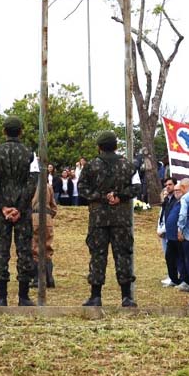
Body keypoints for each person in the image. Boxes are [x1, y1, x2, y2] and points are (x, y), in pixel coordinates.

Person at [77, 130, 140, 307]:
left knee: (97, 255)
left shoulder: (91, 165)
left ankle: (95, 296)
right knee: (123, 255)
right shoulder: (128, 165)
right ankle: (126, 297)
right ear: (116, 146)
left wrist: (101, 197)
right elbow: (137, 187)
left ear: (99, 147)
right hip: (121, 219)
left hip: (98, 219)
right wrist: (120, 196)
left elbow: (82, 188)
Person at [0, 117, 37, 307]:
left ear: (3, 131)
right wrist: (20, 207)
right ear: (21, 131)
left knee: (2, 252)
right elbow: (33, 181)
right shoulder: (30, 154)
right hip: (22, 211)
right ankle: (24, 297)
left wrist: (2, 206)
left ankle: (2, 297)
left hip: (2, 211)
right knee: (24, 252)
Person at [30, 173, 57, 289]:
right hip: (48, 218)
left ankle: (38, 279)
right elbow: (54, 207)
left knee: (36, 248)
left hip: (35, 217)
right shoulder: (49, 187)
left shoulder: (31, 186)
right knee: (47, 248)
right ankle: (49, 278)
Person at [158, 177, 182, 288]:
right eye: (166, 185)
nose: (167, 187)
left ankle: (178, 277)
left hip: (173, 232)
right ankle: (172, 277)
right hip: (165, 231)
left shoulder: (176, 200)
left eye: (170, 184)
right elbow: (163, 215)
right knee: (168, 256)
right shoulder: (167, 200)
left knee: (175, 256)